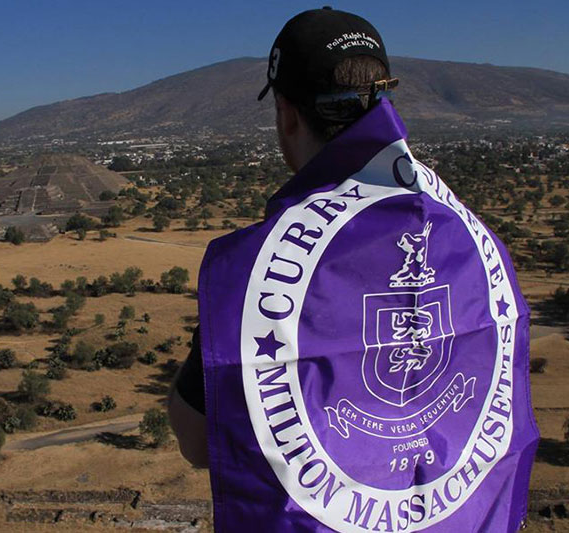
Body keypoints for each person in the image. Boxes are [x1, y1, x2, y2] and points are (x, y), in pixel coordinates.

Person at [168, 7, 538, 532]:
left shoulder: (264, 271)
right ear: (385, 99)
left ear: (287, 114)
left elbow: (196, 437)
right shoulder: (473, 237)